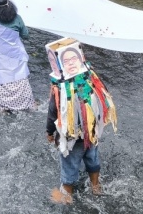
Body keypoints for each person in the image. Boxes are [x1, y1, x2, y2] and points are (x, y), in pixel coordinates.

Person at [46, 58, 117, 204]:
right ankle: (95, 186)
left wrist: (49, 131)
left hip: (72, 137)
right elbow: (104, 96)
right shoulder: (90, 79)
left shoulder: (60, 89)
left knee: (69, 163)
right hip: (91, 131)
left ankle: (67, 195)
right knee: (92, 157)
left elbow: (53, 113)